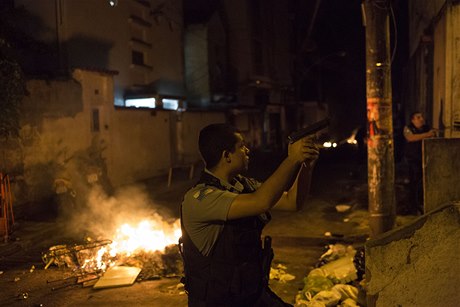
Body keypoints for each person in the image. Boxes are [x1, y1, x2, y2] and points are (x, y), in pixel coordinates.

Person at [179, 123, 319, 307]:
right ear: (226, 156)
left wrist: (305, 166)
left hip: (248, 296)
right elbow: (262, 201)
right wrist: (292, 159)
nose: (247, 150)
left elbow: (292, 202)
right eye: (241, 146)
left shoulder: (241, 185)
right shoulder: (200, 198)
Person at [403, 111, 436, 214]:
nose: (421, 119)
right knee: (414, 183)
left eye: (422, 117)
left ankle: (422, 205)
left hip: (425, 159)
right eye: (418, 117)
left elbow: (433, 136)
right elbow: (411, 137)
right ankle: (412, 207)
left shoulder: (426, 127)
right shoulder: (408, 128)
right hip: (413, 160)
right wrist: (427, 135)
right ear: (413, 120)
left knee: (424, 183)